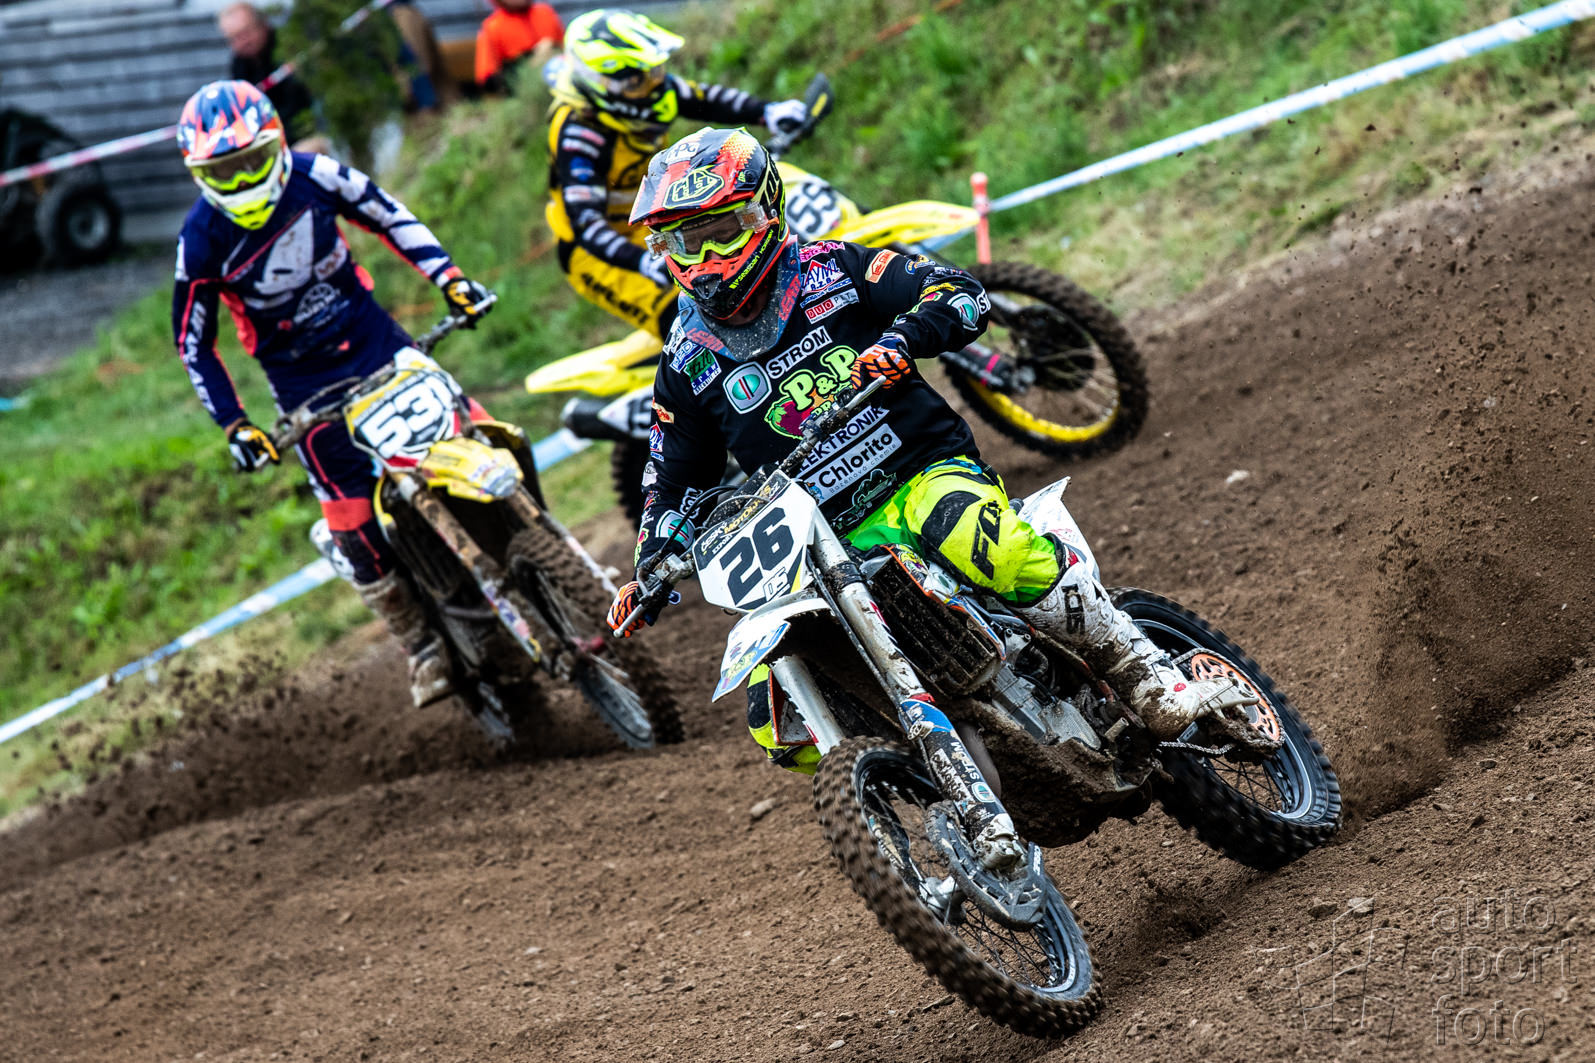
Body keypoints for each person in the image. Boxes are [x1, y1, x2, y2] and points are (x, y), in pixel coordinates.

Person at [606, 127, 1262, 782]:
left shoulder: (832, 269)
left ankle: (1142, 671)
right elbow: (671, 476)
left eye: (720, 232)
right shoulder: (686, 361)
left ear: (763, 211)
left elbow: (957, 291)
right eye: (685, 241)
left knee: (985, 543)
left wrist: (904, 337)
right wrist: (650, 564)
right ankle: (937, 781)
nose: (705, 257)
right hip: (818, 545)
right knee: (775, 717)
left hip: (921, 475)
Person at [170, 80, 494, 708]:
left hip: (375, 340)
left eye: (251, 162)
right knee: (351, 516)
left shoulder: (316, 174)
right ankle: (421, 645)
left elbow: (389, 214)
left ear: (277, 145)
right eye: (224, 171)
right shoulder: (200, 239)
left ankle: (542, 546)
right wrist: (236, 425)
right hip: (302, 384)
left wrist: (450, 279)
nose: (242, 181)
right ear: (199, 174)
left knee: (477, 430)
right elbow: (193, 344)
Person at [545, 9, 807, 341]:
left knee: (750, 277)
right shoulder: (579, 134)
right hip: (600, 252)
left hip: (660, 222)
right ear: (597, 82)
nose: (653, 84)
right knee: (685, 321)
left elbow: (704, 98)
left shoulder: (647, 92)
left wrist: (767, 111)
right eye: (638, 79)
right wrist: (642, 262)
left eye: (654, 71)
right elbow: (586, 224)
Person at [217, 2, 331, 153]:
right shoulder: (239, 66)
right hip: (270, 141)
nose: (243, 42)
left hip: (308, 133)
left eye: (246, 33)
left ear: (262, 25)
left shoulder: (288, 47)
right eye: (234, 38)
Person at [475, 0, 564, 94]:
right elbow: (488, 80)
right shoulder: (493, 27)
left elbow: (566, 49)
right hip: (524, 90)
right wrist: (528, 63)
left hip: (558, 81)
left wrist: (553, 47)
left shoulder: (545, 13)